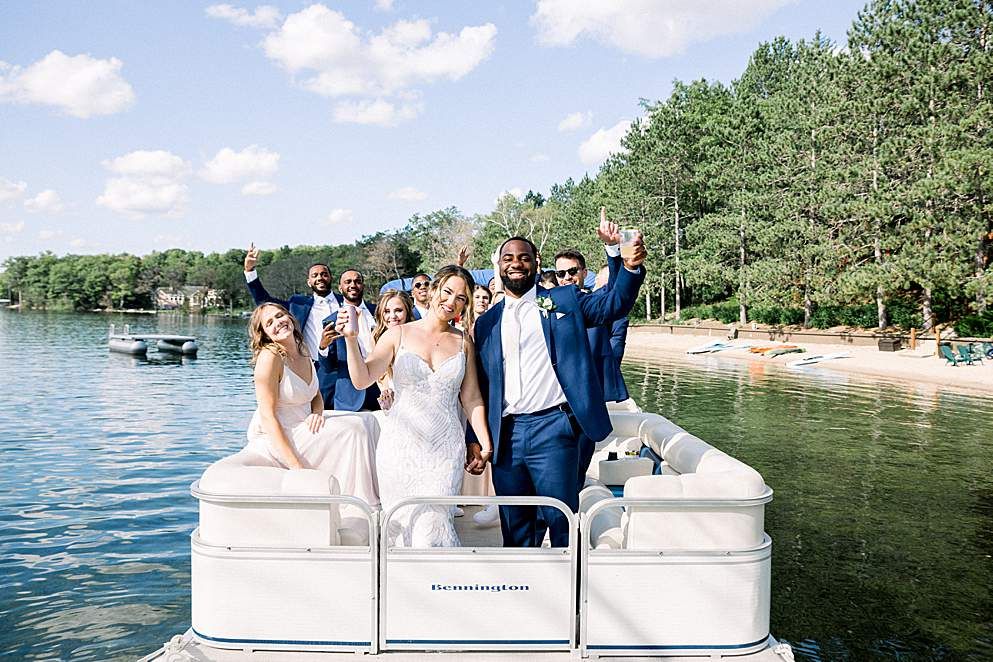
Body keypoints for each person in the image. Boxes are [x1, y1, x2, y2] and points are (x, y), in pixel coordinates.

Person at [473, 232, 646, 548]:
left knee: (563, 522)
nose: (516, 264)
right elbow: (480, 387)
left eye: (524, 257)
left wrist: (627, 265)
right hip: (506, 436)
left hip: (554, 428)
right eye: (508, 258)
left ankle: (569, 591)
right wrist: (477, 440)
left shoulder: (564, 300)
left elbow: (613, 305)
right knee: (515, 527)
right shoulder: (486, 323)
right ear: (498, 265)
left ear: (536, 264)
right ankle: (524, 591)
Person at [337, 265, 493, 547]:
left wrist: (485, 444)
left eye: (461, 297)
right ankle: (408, 588)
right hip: (400, 448)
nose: (451, 301)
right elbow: (362, 380)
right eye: (447, 292)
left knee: (431, 525)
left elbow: (471, 398)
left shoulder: (463, 342)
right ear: (433, 291)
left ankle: (437, 586)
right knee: (404, 525)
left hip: (445, 449)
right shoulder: (397, 334)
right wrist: (350, 339)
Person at [243, 303, 379, 506]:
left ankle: (374, 492)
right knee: (354, 430)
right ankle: (357, 502)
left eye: (280, 316)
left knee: (368, 420)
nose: (278, 323)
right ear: (264, 334)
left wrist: (317, 413)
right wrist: (297, 467)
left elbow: (315, 394)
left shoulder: (302, 348)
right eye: (269, 323)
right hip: (280, 433)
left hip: (305, 424)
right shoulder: (270, 358)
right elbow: (267, 416)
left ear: (289, 317)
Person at [554, 213, 630, 486]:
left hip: (588, 399)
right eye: (560, 273)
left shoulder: (597, 303)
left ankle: (573, 519)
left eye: (572, 271)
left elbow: (619, 288)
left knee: (579, 468)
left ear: (583, 273)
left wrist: (613, 249)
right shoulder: (546, 308)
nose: (566, 278)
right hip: (554, 405)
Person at [243, 243, 341, 408]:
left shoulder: (347, 303)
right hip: (312, 367)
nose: (320, 278)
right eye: (315, 275)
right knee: (314, 416)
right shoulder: (298, 304)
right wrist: (250, 271)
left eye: (324, 274)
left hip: (345, 368)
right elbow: (264, 301)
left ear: (330, 278)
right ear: (309, 282)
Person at [318, 270, 380, 411]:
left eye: (357, 281)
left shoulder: (380, 312)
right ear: (340, 288)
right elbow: (328, 367)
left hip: (382, 391)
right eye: (348, 282)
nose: (353, 285)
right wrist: (323, 347)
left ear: (363, 285)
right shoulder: (331, 320)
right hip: (350, 398)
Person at [371, 289, 415, 410]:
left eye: (398, 310)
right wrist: (385, 389)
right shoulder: (376, 337)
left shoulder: (417, 335)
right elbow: (378, 373)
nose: (392, 316)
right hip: (391, 401)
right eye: (386, 311)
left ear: (407, 311)